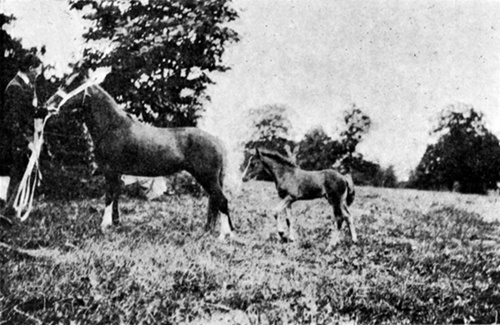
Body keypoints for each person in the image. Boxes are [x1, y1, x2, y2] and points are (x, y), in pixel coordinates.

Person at [0, 53, 45, 226]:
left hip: (22, 139)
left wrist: (44, 112)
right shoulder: (15, 88)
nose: (39, 74)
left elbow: (28, 111)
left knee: (21, 174)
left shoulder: (24, 85)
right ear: (31, 69)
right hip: (16, 141)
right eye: (38, 70)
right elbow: (12, 121)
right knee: (20, 174)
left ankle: (10, 211)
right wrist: (26, 142)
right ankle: (7, 212)